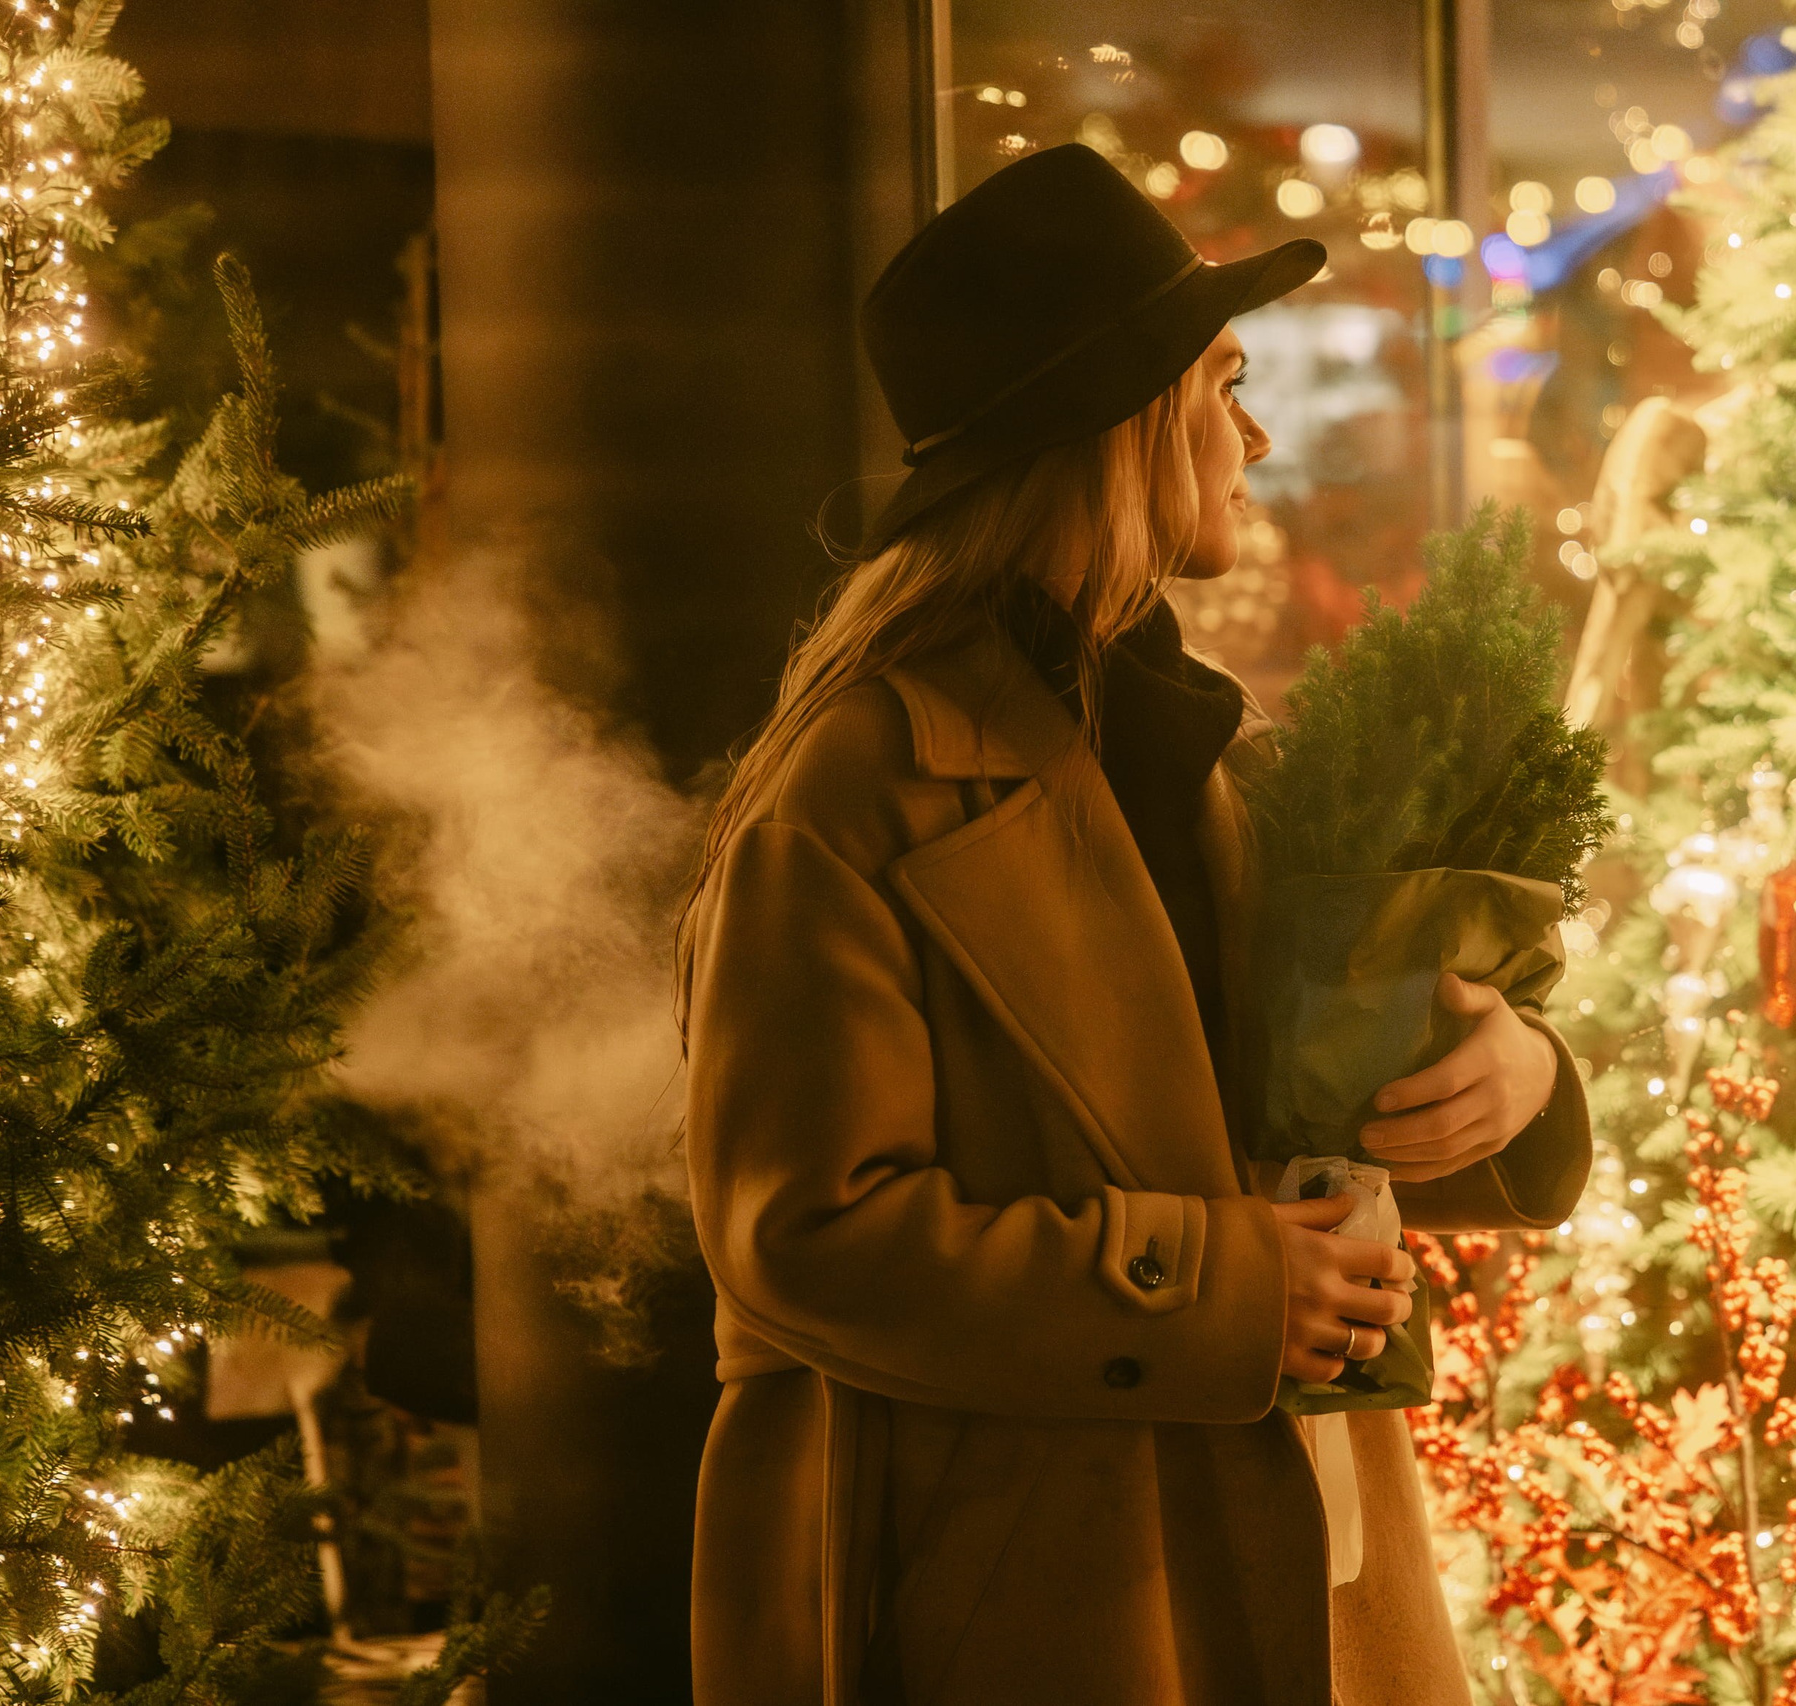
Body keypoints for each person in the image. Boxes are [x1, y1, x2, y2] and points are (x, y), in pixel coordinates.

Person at [679, 144, 1592, 1706]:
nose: (1253, 434)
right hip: (1022, 1581)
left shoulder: (1188, 737)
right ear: (1121, 425)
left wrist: (1513, 1080)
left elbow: (1249, 1111)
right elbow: (800, 1236)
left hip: (1279, 1531)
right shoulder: (853, 791)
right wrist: (1229, 1288)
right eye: (1221, 384)